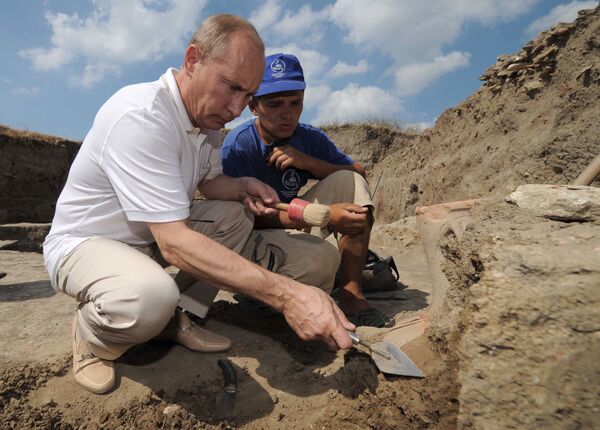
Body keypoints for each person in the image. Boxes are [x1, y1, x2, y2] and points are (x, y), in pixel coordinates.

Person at [43, 15, 355, 395]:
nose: (237, 108)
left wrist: (242, 186)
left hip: (144, 240)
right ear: (193, 60)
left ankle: (177, 319)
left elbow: (207, 183)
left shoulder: (205, 120)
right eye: (232, 88)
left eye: (247, 94)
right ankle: (92, 335)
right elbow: (174, 241)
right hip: (86, 244)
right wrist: (287, 295)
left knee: (234, 215)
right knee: (149, 297)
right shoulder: (141, 116)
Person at [221, 53, 391, 328]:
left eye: (295, 103)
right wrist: (320, 215)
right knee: (324, 261)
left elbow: (358, 172)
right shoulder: (239, 146)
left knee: (349, 181)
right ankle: (255, 292)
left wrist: (307, 161)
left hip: (291, 223)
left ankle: (351, 293)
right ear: (253, 106)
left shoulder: (308, 137)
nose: (287, 114)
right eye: (275, 104)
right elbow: (243, 218)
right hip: (250, 235)